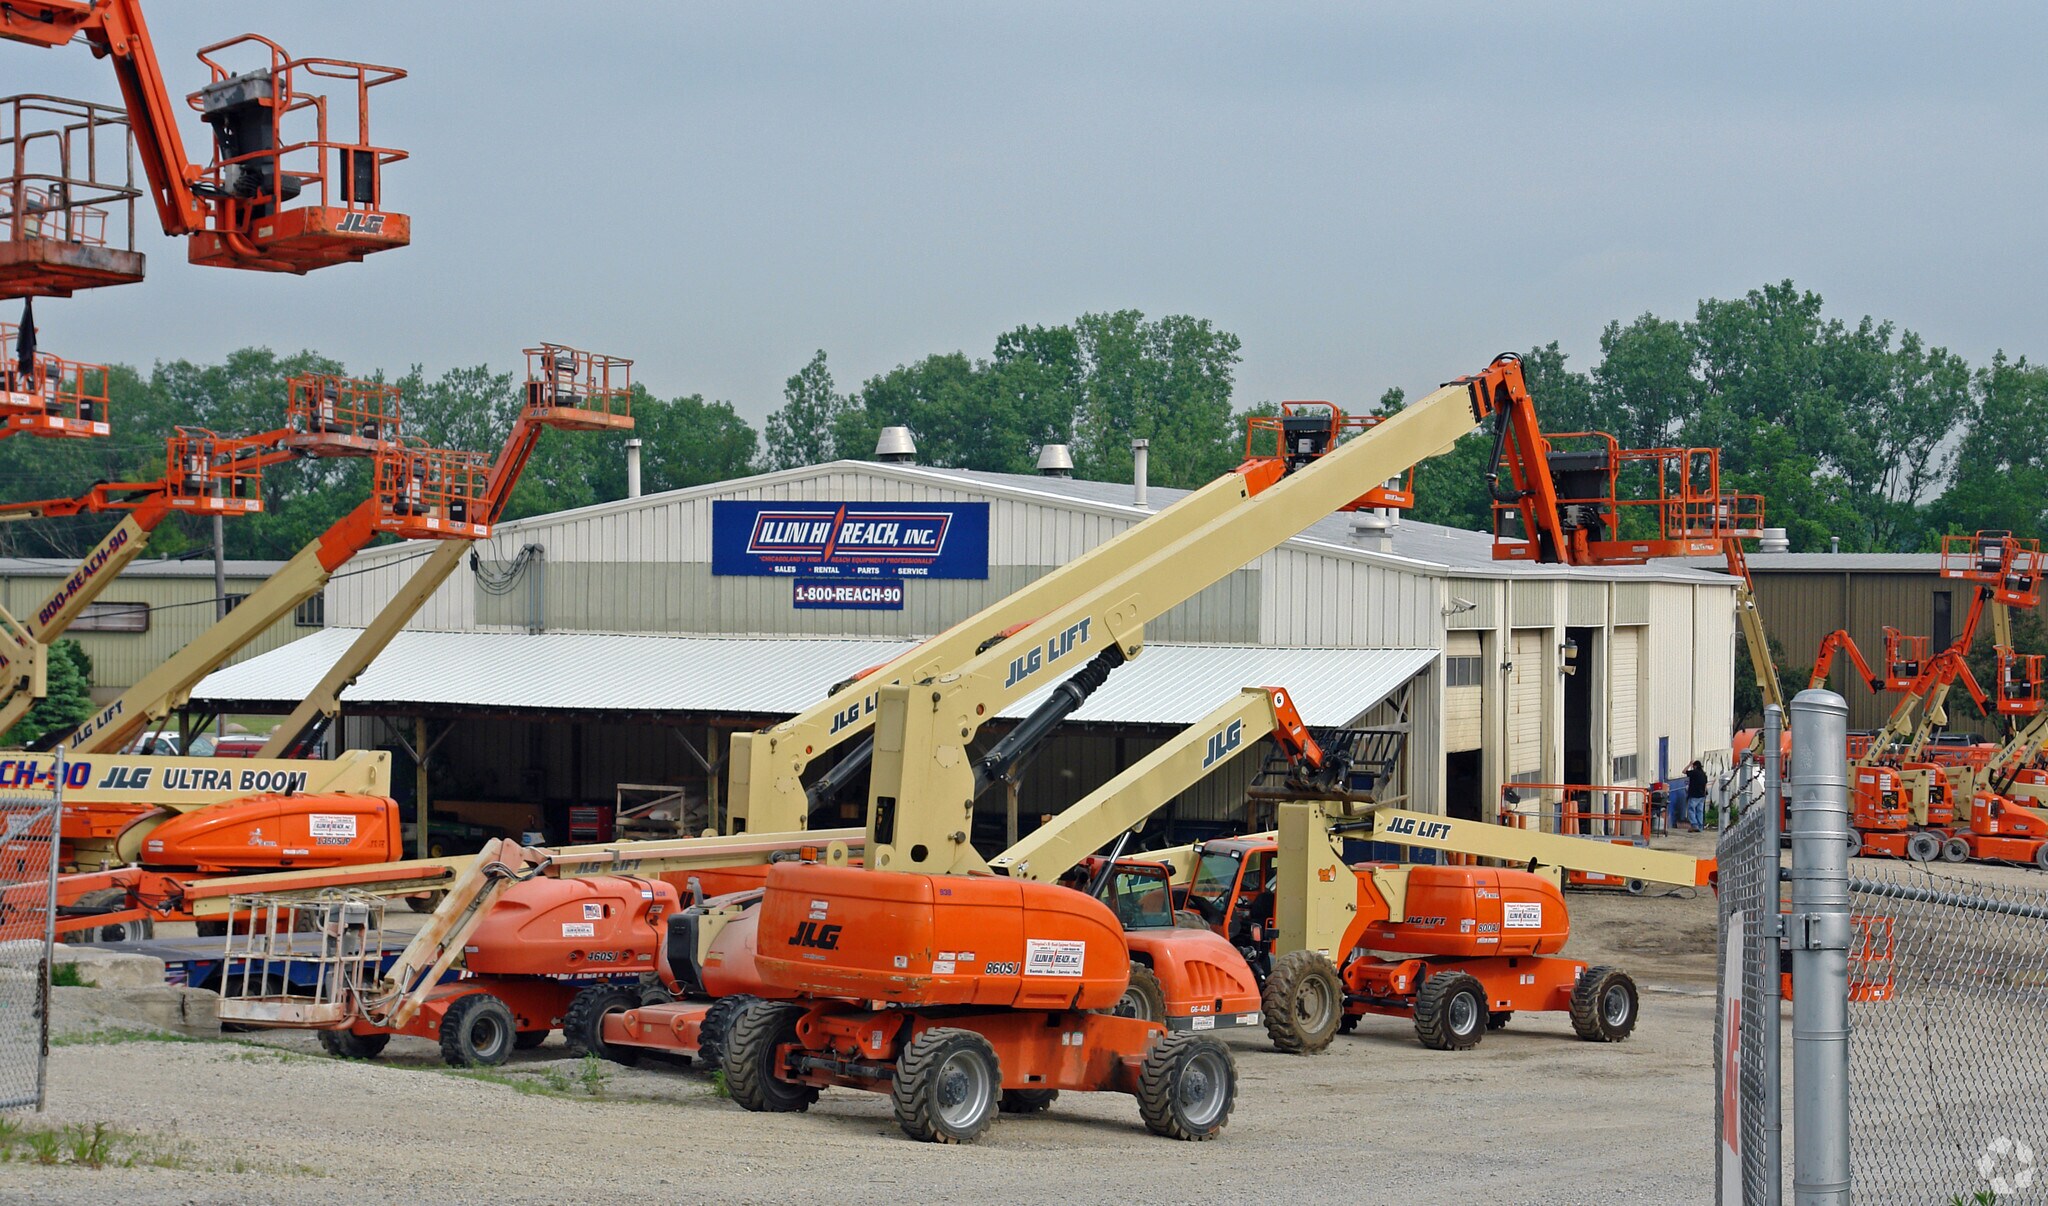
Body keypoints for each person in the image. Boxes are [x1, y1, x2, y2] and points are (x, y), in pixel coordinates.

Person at [1685, 760, 1710, 832]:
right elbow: (1705, 785)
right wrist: (1704, 794)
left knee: (1691, 810)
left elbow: (1684, 771)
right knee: (1700, 811)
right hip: (1702, 795)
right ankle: (1700, 827)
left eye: (1693, 766)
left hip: (1694, 795)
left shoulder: (1694, 772)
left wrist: (1689, 765)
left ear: (1694, 766)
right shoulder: (1704, 774)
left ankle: (1694, 825)